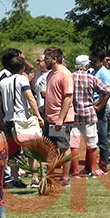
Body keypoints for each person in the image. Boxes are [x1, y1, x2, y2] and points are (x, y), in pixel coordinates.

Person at [0, 56, 43, 159]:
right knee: (30, 151)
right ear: (22, 68)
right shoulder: (22, 79)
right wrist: (38, 115)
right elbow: (30, 98)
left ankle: (15, 170)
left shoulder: (2, 83)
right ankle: (32, 170)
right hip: (22, 119)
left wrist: (0, 120)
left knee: (12, 152)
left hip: (8, 119)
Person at [71, 54, 110, 177]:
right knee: (92, 143)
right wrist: (98, 105)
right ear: (86, 65)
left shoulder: (70, 77)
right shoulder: (91, 78)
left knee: (74, 144)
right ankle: (93, 171)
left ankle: (75, 172)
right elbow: (107, 91)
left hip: (74, 114)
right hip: (88, 113)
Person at [43, 46, 76, 186]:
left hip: (61, 119)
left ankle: (65, 178)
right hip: (49, 118)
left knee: (63, 147)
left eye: (47, 58)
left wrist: (60, 119)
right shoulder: (50, 74)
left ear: (55, 59)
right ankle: (50, 177)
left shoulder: (65, 75)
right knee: (49, 148)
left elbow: (68, 98)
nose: (44, 61)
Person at [91, 50, 110, 173]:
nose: (92, 63)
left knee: (102, 136)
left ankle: (104, 164)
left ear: (101, 61)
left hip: (101, 107)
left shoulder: (104, 73)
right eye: (91, 61)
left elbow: (107, 92)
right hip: (94, 105)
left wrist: (99, 106)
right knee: (94, 137)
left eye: (95, 61)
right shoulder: (94, 72)